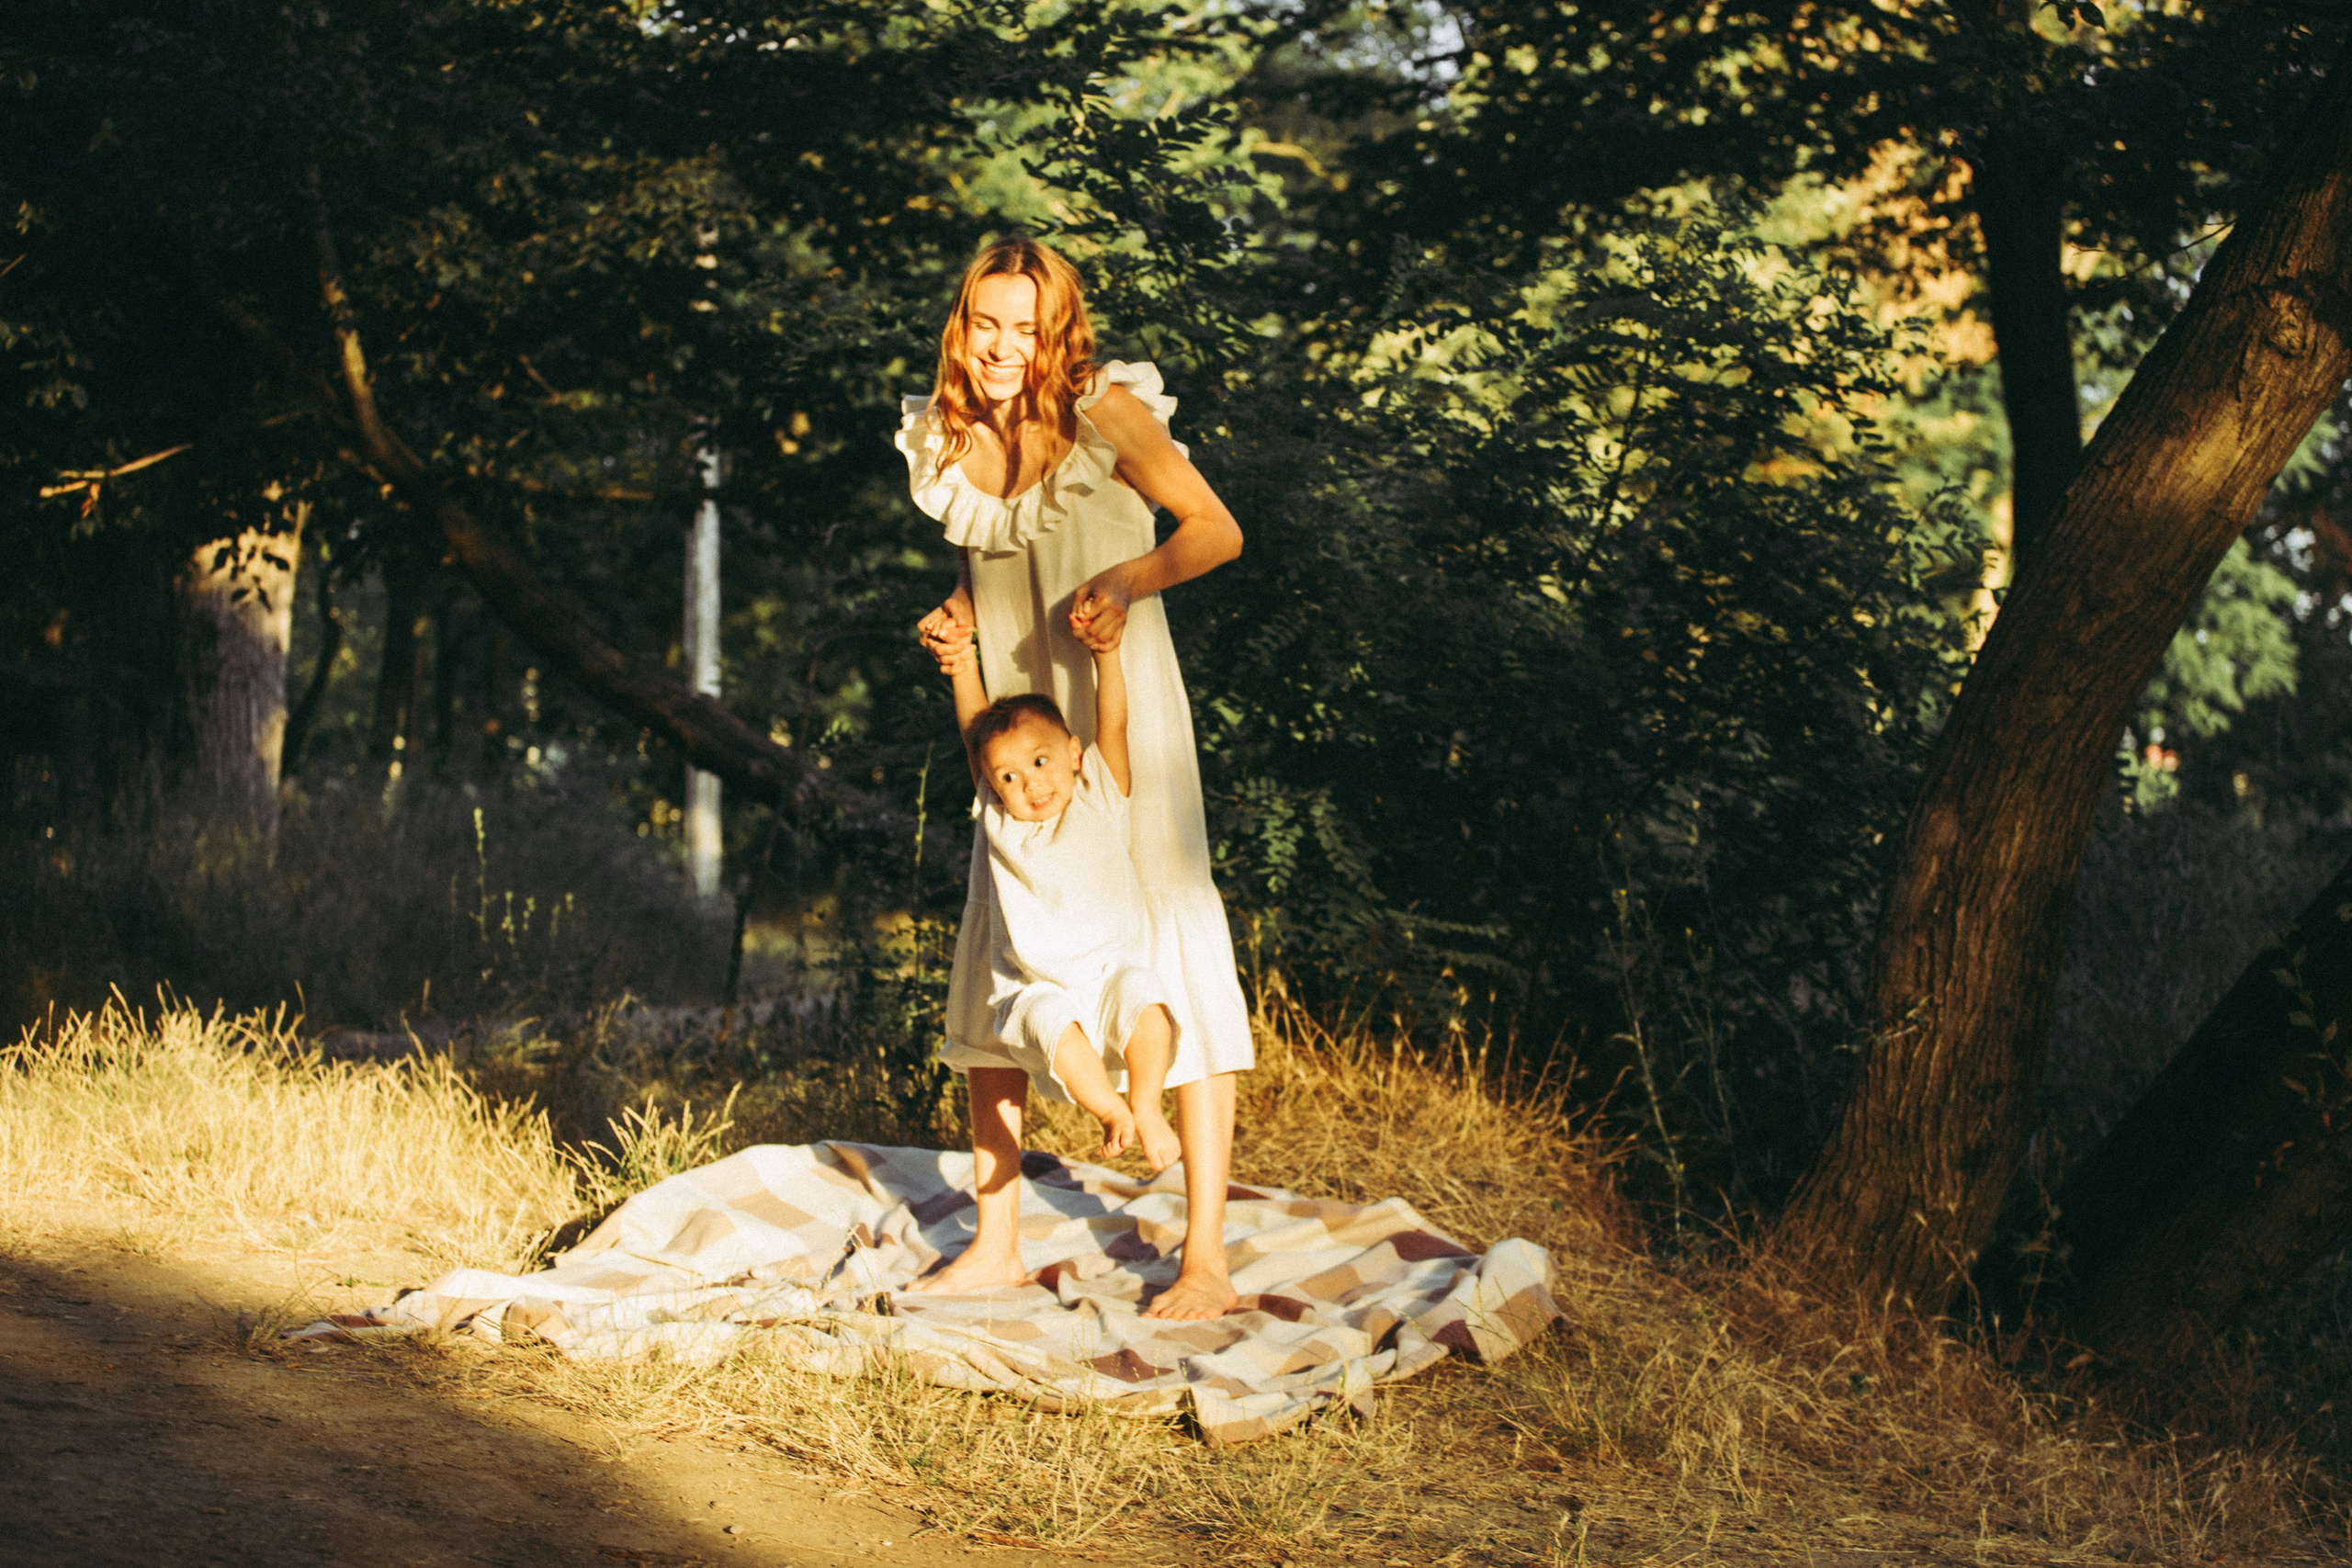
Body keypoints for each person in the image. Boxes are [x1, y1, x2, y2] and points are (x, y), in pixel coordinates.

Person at [898, 235, 1250, 1322]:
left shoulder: (1108, 413)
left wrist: (1130, 580)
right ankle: (996, 1241)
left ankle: (1203, 1261)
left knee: (1169, 949)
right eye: (987, 324)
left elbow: (1216, 532)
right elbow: (983, 560)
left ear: (1060, 333)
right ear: (965, 324)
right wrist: (961, 612)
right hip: (1018, 732)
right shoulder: (943, 438)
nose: (1005, 348)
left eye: (1027, 328)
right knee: (1001, 953)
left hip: (1117, 710)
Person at [944, 629, 1182, 1173]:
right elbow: (972, 735)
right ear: (992, 785)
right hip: (1035, 985)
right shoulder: (1002, 820)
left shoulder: (1099, 792)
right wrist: (962, 668)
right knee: (1053, 1025)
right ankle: (1110, 1110)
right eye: (1009, 776)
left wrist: (1108, 657)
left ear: (1074, 754)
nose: (1030, 783)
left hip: (1114, 969)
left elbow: (1114, 723)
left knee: (1150, 1010)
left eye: (1041, 761)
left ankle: (1147, 1104)